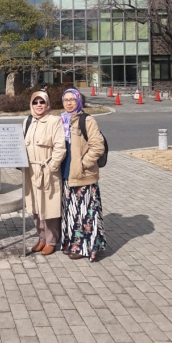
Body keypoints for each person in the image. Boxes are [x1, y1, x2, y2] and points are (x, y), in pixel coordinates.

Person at [60, 88, 106, 261]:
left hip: (83, 175)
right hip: (66, 174)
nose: (69, 103)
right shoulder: (62, 120)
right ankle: (71, 243)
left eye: (72, 99)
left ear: (79, 101)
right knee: (70, 212)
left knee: (85, 214)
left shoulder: (87, 120)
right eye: (66, 100)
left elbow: (98, 146)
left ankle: (83, 248)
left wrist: (83, 164)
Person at [23, 91, 66, 255]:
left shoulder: (54, 121)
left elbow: (60, 147)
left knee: (49, 207)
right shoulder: (27, 121)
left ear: (47, 104)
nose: (39, 105)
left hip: (47, 170)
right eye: (35, 102)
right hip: (30, 171)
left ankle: (51, 240)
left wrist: (51, 167)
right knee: (34, 207)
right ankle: (41, 238)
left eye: (42, 102)